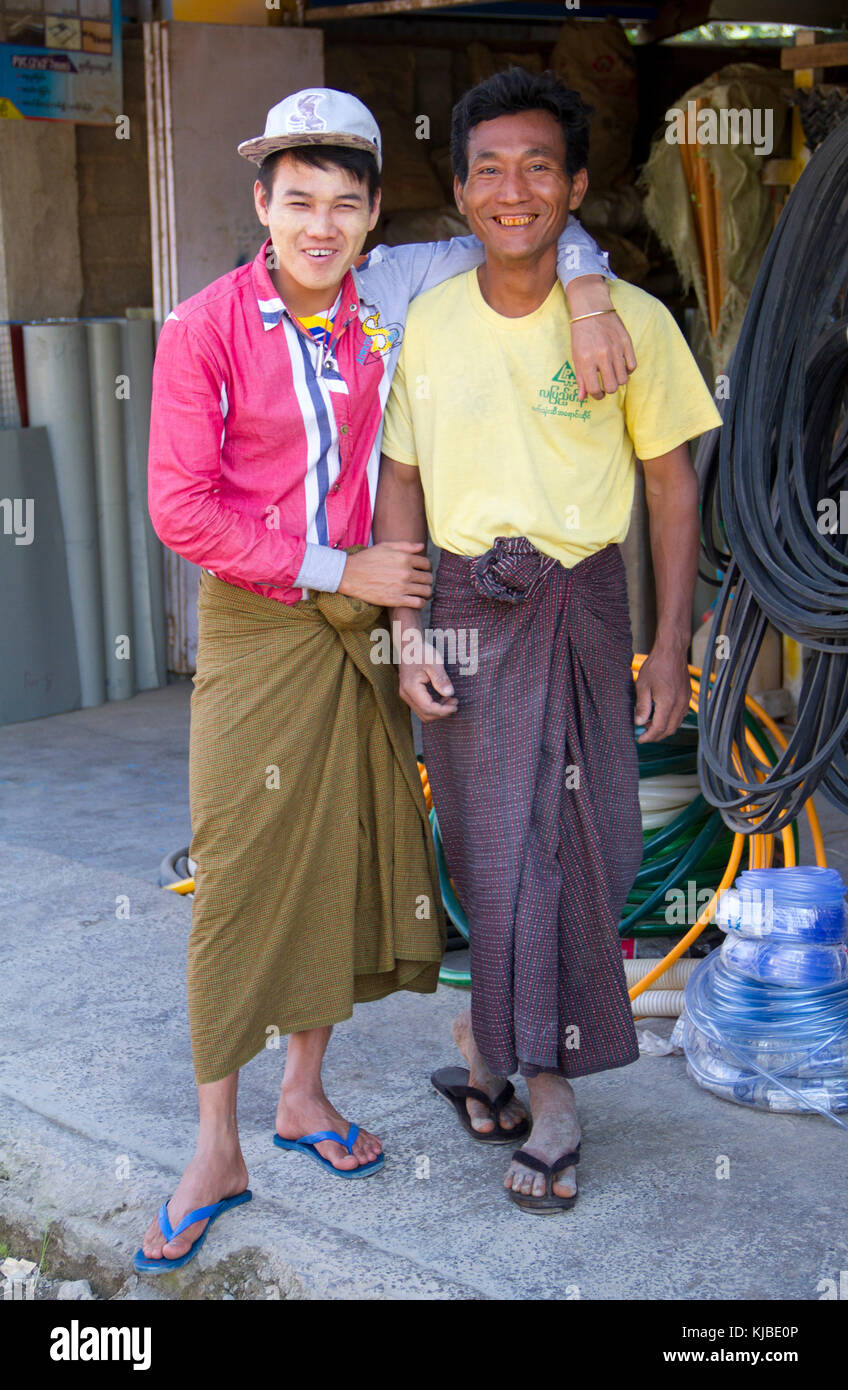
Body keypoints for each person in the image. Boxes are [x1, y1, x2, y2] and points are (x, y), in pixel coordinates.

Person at [137, 85, 635, 1270]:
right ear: (261, 203)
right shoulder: (201, 327)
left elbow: (536, 220)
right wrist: (337, 564)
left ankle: (302, 1096)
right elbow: (178, 506)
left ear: (372, 215)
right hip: (267, 616)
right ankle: (216, 1141)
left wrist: (587, 286)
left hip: (374, 610)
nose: (320, 224)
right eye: (297, 200)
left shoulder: (393, 291)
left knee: (351, 848)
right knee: (241, 857)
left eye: (343, 203)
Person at [375, 67, 722, 1214]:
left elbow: (670, 492)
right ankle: (501, 1058)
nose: (511, 190)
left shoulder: (630, 320)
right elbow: (401, 482)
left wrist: (671, 644)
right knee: (485, 843)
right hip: (466, 611)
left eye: (537, 168)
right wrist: (406, 625)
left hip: (581, 605)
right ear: (460, 190)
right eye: (487, 169)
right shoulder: (426, 317)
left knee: (580, 840)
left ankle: (550, 1077)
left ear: (573, 187)